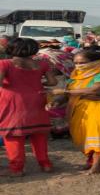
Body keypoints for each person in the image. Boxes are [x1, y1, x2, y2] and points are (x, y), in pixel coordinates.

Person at [50, 50, 100, 174]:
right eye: (76, 63)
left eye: (82, 62)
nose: (79, 66)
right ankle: (90, 161)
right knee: (85, 137)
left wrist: (65, 93)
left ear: (96, 62)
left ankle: (97, 165)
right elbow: (68, 93)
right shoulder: (76, 76)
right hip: (79, 110)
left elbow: (96, 89)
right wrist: (56, 101)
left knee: (98, 136)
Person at [0, 38, 57, 176]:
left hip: (13, 101)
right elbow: (53, 81)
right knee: (39, 135)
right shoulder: (42, 64)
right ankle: (45, 164)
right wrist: (36, 82)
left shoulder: (4, 63)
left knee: (13, 136)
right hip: (37, 99)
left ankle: (16, 169)